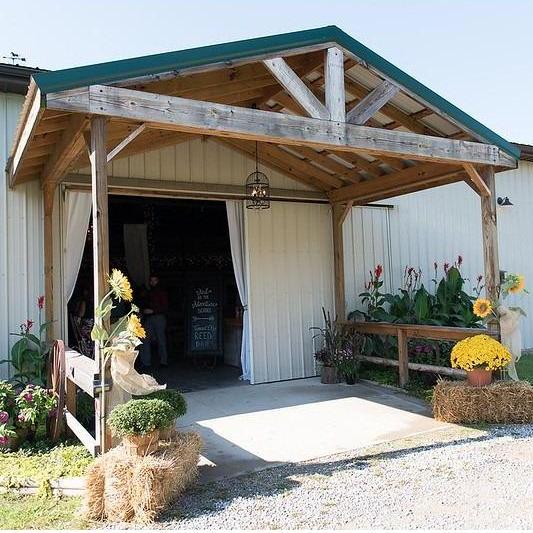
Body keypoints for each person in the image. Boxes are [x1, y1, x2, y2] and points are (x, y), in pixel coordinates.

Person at [140, 275, 169, 368]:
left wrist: (153, 311)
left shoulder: (162, 292)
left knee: (161, 340)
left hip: (159, 317)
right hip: (148, 318)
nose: (153, 282)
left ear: (158, 281)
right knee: (145, 339)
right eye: (151, 281)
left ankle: (163, 362)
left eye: (154, 280)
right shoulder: (148, 293)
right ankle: (146, 363)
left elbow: (165, 307)